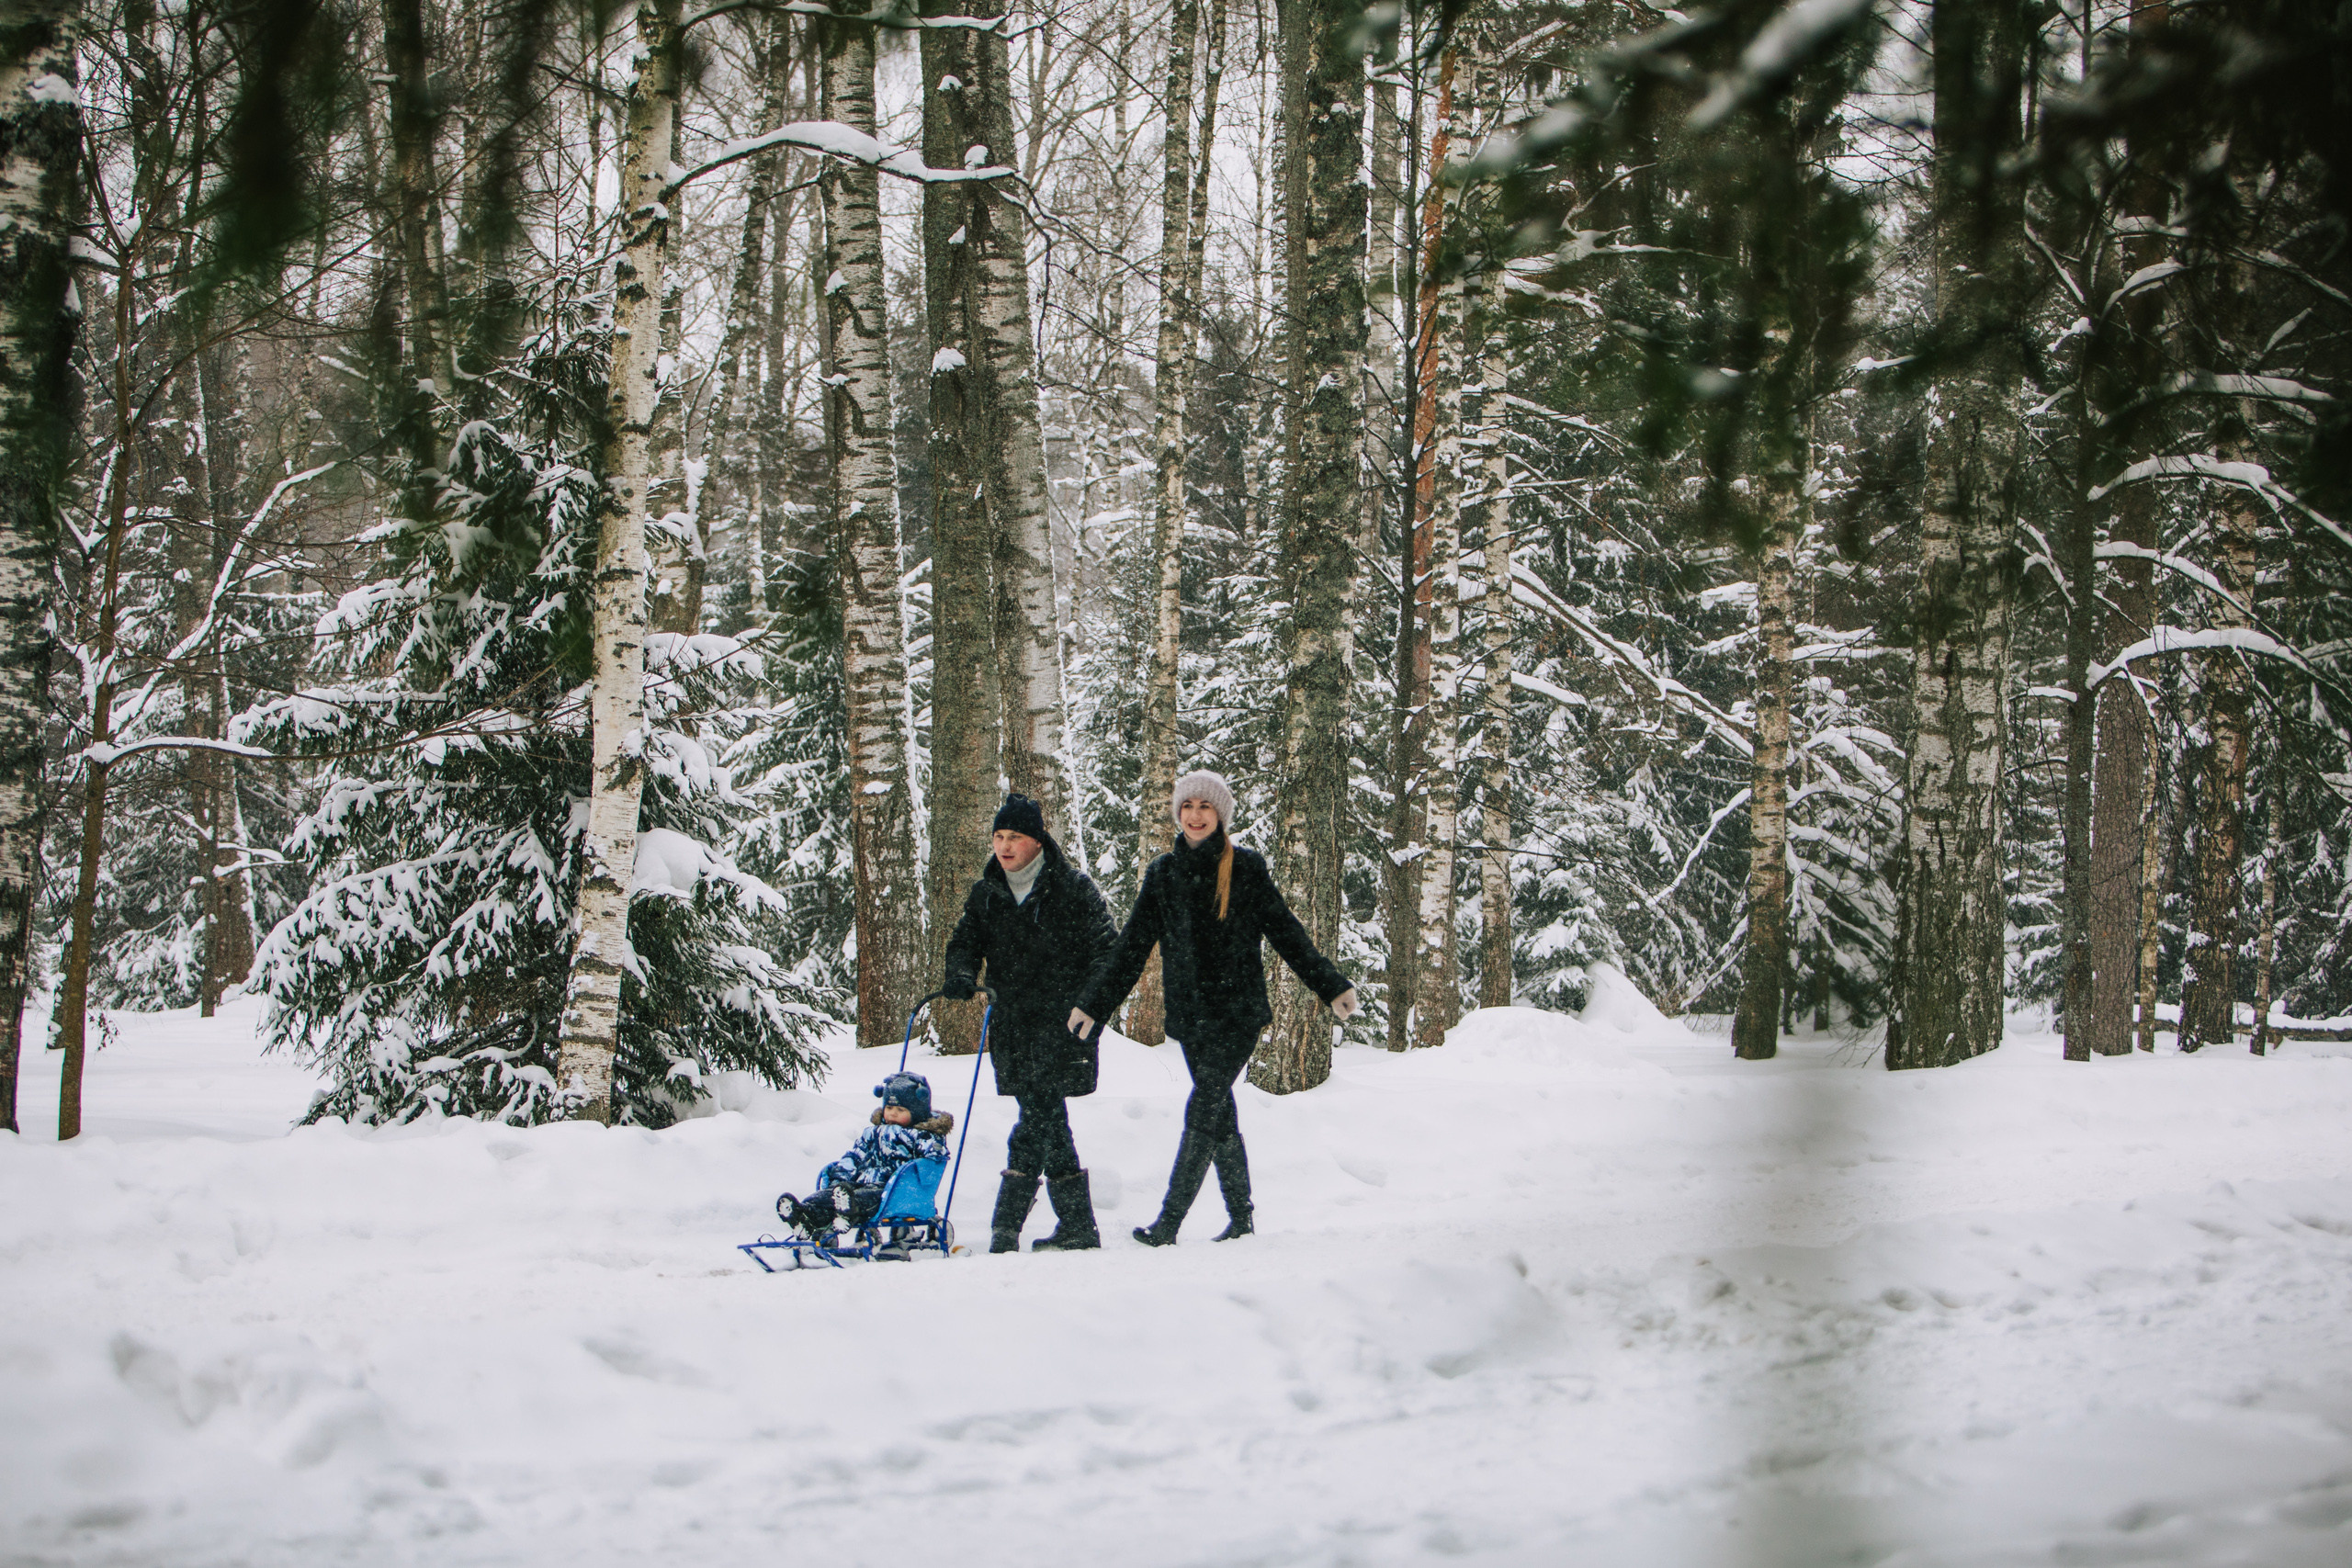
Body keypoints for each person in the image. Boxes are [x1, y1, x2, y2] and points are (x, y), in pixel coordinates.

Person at [1069, 769, 1358, 1246]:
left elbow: (1286, 932)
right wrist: (1094, 1006)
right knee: (1219, 1112)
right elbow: (1131, 949)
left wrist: (1329, 985)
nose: (1195, 815)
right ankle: (1241, 1219)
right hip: (1191, 1019)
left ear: (1219, 814)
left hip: (1238, 1014)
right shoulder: (1163, 874)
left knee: (1202, 1106)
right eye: (1187, 806)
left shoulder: (1245, 868)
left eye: (1205, 807)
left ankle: (1169, 1222)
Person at [942, 792, 1120, 1253]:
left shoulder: (1074, 890)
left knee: (1038, 1115)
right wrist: (961, 974)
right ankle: (1077, 1227)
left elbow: (1110, 956)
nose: (1003, 846)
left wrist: (1090, 1005)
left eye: (1014, 837)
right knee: (1044, 1117)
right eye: (998, 836)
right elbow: (965, 942)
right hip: (1014, 1028)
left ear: (1038, 841)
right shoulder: (987, 893)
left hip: (1065, 1024)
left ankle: (1005, 1229)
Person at [777, 1071, 952, 1258]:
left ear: (916, 1113)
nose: (893, 1113)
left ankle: (847, 1211)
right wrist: (839, 1177)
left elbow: (935, 1156)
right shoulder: (872, 1133)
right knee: (830, 1196)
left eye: (901, 1110)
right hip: (858, 1183)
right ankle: (805, 1215)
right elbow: (855, 1156)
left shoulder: (921, 1135)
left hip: (891, 1189)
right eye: (889, 1108)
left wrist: (934, 1150)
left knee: (862, 1198)